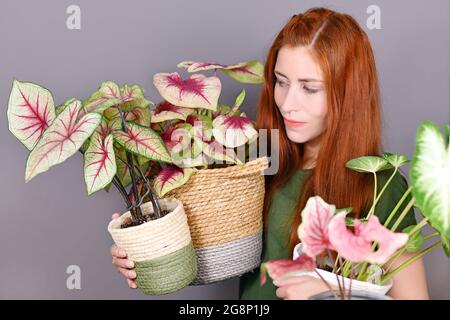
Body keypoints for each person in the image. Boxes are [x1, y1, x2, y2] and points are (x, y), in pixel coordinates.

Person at [110, 7, 429, 300]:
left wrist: (333, 292)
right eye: (281, 82)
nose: (288, 103)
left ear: (349, 94)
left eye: (309, 88)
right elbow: (199, 243)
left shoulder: (379, 184)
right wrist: (144, 243)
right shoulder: (251, 156)